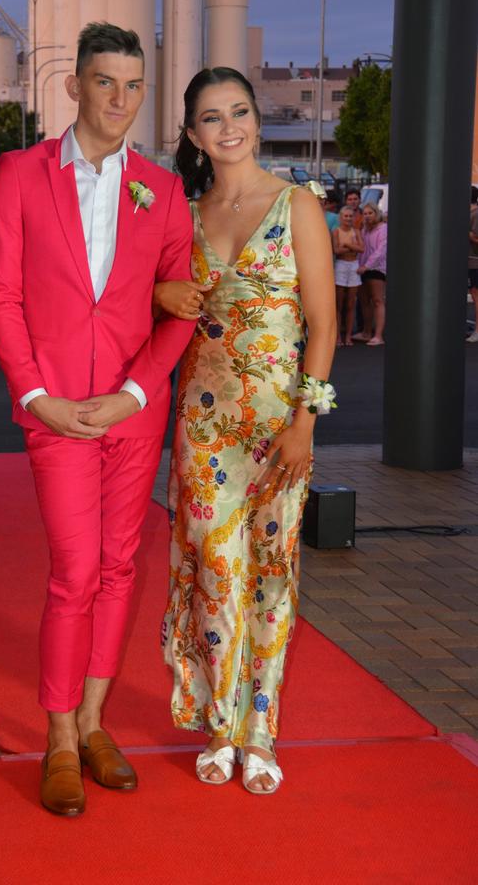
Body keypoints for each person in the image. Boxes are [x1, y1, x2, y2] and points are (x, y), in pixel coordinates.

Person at [0, 22, 194, 817]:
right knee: (73, 574)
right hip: (58, 410)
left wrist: (137, 395)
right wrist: (37, 396)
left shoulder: (160, 188)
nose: (121, 99)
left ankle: (99, 722)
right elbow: (0, 295)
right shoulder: (19, 174)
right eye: (105, 82)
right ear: (73, 86)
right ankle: (61, 737)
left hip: (134, 412)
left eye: (134, 85)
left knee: (118, 569)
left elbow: (180, 307)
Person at [154, 67, 337, 795]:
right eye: (210, 116)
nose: (227, 126)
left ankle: (261, 729)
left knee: (270, 574)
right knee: (214, 570)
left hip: (276, 425)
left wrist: (305, 424)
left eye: (238, 112)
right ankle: (221, 727)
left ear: (257, 121)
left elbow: (323, 327)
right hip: (201, 423)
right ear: (194, 134)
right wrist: (159, 293)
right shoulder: (185, 212)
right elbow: (158, 294)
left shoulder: (297, 206)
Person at [355, 201, 387, 346]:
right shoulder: (364, 230)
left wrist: (367, 266)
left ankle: (378, 335)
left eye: (370, 213)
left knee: (377, 300)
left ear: (376, 213)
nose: (367, 216)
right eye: (365, 214)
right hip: (362, 268)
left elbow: (381, 251)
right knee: (364, 301)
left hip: (376, 268)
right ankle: (366, 332)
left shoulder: (383, 228)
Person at [332, 205, 364, 346]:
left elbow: (361, 249)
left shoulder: (356, 231)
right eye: (346, 216)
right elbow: (336, 250)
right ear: (341, 217)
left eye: (351, 216)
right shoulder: (336, 232)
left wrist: (347, 245)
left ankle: (348, 336)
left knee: (351, 303)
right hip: (341, 265)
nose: (348, 218)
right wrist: (351, 246)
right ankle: (338, 335)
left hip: (354, 265)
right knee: (338, 304)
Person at [467, 187, 478, 343]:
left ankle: (477, 331)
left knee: (476, 296)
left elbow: (476, 238)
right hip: (468, 261)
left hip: (475, 261)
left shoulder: (475, 214)